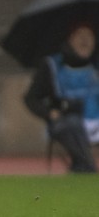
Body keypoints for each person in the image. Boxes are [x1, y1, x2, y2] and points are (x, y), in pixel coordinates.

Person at [24, 21, 99, 173]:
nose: (85, 41)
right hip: (65, 121)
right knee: (72, 124)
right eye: (80, 36)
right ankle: (86, 167)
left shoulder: (95, 65)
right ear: (70, 39)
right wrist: (49, 113)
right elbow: (31, 98)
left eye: (89, 36)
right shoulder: (52, 65)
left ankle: (82, 167)